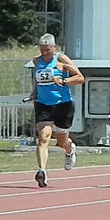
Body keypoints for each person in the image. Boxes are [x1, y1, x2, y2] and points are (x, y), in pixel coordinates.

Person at [31, 33, 84, 187]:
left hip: (63, 105)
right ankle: (42, 171)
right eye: (42, 50)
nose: (45, 53)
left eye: (47, 50)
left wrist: (64, 80)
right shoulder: (36, 62)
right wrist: (35, 92)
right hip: (43, 105)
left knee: (62, 142)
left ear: (54, 48)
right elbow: (37, 80)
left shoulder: (61, 59)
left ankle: (70, 149)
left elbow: (80, 78)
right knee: (43, 137)